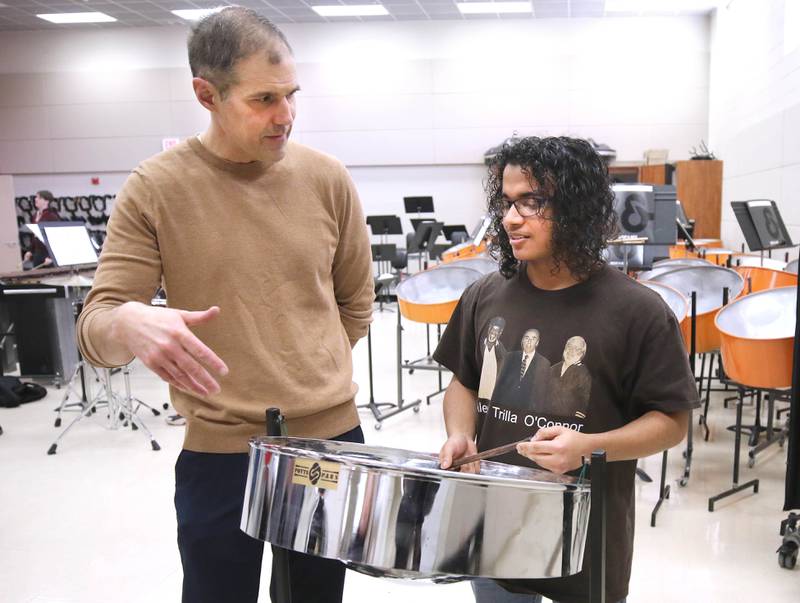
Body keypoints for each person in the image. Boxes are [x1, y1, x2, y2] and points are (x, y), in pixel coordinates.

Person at [76, 8, 374, 603]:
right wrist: (127, 323)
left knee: (318, 597)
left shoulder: (326, 177)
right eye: (264, 99)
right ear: (206, 94)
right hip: (221, 454)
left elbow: (356, 306)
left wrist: (303, 372)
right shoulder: (156, 187)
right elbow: (96, 329)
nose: (285, 115)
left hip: (328, 444)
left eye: (291, 95)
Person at [435, 136, 698, 603]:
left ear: (576, 206)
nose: (510, 219)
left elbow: (671, 422)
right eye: (507, 202)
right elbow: (463, 383)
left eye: (531, 203)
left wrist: (591, 448)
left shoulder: (638, 311)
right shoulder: (484, 295)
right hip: (494, 528)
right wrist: (461, 433)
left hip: (586, 540)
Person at [490, 327, 550, 413]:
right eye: (527, 337)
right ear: (522, 340)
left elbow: (541, 395)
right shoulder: (509, 357)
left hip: (527, 413)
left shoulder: (544, 363)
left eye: (533, 338)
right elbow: (500, 385)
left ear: (537, 343)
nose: (529, 341)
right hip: (505, 411)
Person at [548, 335, 592, 419]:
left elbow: (584, 403)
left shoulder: (584, 374)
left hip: (567, 423)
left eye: (577, 349)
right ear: (565, 348)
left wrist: (575, 421)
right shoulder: (552, 369)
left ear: (582, 354)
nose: (572, 351)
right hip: (546, 418)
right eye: (570, 347)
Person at [23, 189, 60, 268]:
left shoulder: (52, 216)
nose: (35, 199)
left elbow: (56, 238)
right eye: (36, 197)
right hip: (37, 253)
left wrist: (51, 257)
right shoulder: (34, 216)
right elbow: (35, 236)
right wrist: (30, 251)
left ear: (46, 201)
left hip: (47, 254)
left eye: (39, 198)